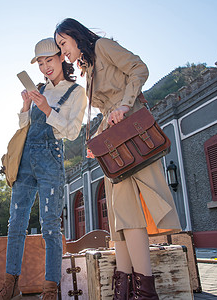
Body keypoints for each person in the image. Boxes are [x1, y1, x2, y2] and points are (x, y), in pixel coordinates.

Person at [55, 19, 181, 300]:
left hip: (133, 132)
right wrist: (97, 138)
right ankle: (125, 289)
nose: (63, 51)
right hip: (114, 143)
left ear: (75, 36)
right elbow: (105, 110)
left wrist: (125, 104)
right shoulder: (87, 71)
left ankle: (145, 290)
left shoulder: (103, 46)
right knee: (121, 215)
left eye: (63, 43)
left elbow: (139, 68)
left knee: (132, 211)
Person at [0, 37, 86, 300]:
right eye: (41, 63)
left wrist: (47, 109)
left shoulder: (75, 92)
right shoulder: (39, 90)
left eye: (50, 60)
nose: (46, 67)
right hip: (25, 161)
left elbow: (71, 132)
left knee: (50, 227)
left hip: (50, 160)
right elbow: (25, 127)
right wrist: (26, 107)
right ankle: (10, 286)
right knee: (15, 224)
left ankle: (50, 290)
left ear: (61, 58)